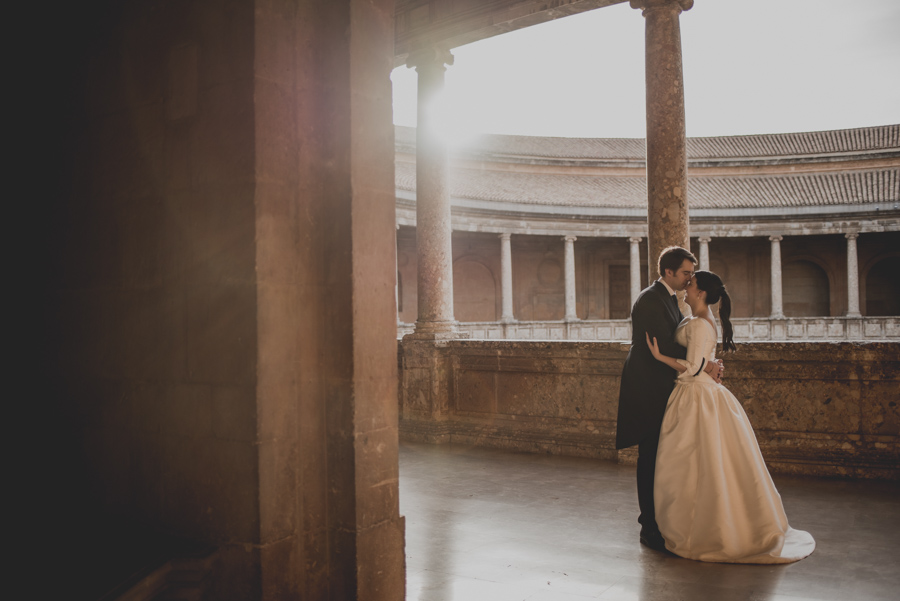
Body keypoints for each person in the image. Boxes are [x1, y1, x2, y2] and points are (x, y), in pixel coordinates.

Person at [647, 270, 816, 563]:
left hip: (696, 396)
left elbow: (694, 365)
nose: (686, 288)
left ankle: (706, 527)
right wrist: (710, 363)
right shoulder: (697, 319)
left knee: (696, 461)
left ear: (700, 293)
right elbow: (703, 359)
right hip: (700, 392)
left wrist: (660, 357)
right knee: (703, 462)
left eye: (691, 284)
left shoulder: (700, 324)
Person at [616, 247, 721, 552]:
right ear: (669, 272)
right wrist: (705, 364)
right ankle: (649, 526)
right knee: (649, 457)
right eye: (686, 273)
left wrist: (705, 361)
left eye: (692, 275)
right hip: (648, 389)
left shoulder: (669, 299)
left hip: (666, 386)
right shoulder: (651, 299)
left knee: (662, 457)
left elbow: (688, 343)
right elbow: (660, 346)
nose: (690, 279)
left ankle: (659, 520)